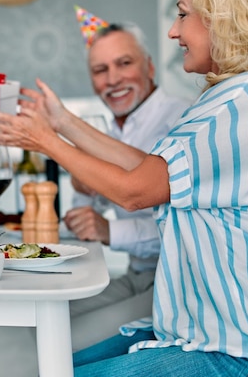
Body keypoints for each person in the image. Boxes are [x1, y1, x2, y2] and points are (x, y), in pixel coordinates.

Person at [0, 0, 248, 374]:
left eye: (182, 15)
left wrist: (46, 141)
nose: (174, 32)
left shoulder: (238, 102)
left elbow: (136, 191)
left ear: (221, 19)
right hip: (198, 324)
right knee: (61, 359)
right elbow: (146, 168)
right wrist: (60, 124)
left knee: (63, 365)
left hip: (232, 344)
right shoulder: (225, 97)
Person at [64, 22, 191, 350]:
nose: (113, 79)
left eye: (124, 63)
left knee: (68, 344)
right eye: (100, 70)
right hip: (137, 275)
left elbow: (177, 229)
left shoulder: (181, 120)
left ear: (148, 65)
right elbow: (82, 212)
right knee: (47, 319)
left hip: (177, 285)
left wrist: (109, 230)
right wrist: (82, 183)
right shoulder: (109, 132)